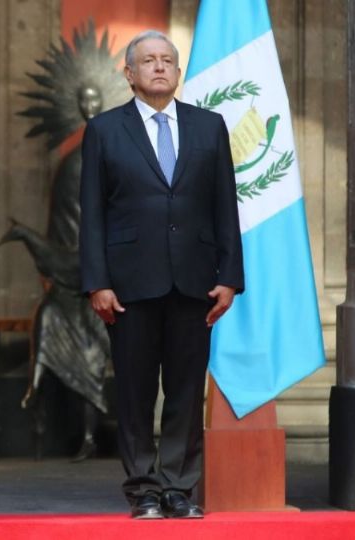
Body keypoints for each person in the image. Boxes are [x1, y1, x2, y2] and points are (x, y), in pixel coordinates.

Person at [79, 30, 244, 519]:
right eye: (147, 61)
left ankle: (178, 488)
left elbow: (224, 208)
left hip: (195, 280)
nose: (158, 67)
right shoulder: (106, 131)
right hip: (129, 284)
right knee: (134, 391)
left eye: (167, 60)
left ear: (177, 71)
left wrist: (230, 276)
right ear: (129, 74)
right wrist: (97, 281)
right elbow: (92, 212)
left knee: (186, 390)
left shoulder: (209, 126)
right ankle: (144, 490)